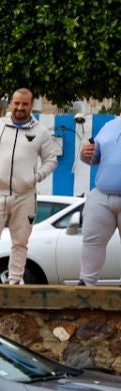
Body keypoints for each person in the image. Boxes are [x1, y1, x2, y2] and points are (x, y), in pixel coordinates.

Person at [0, 87, 61, 283]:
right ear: (11, 103)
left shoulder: (40, 132)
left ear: (31, 105)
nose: (20, 107)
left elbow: (51, 160)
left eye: (25, 104)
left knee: (20, 242)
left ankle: (15, 280)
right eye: (17, 103)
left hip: (25, 195)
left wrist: (35, 177)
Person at [77, 113, 121, 285]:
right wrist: (84, 154)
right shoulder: (109, 126)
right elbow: (94, 157)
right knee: (92, 240)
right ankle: (86, 284)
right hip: (102, 194)